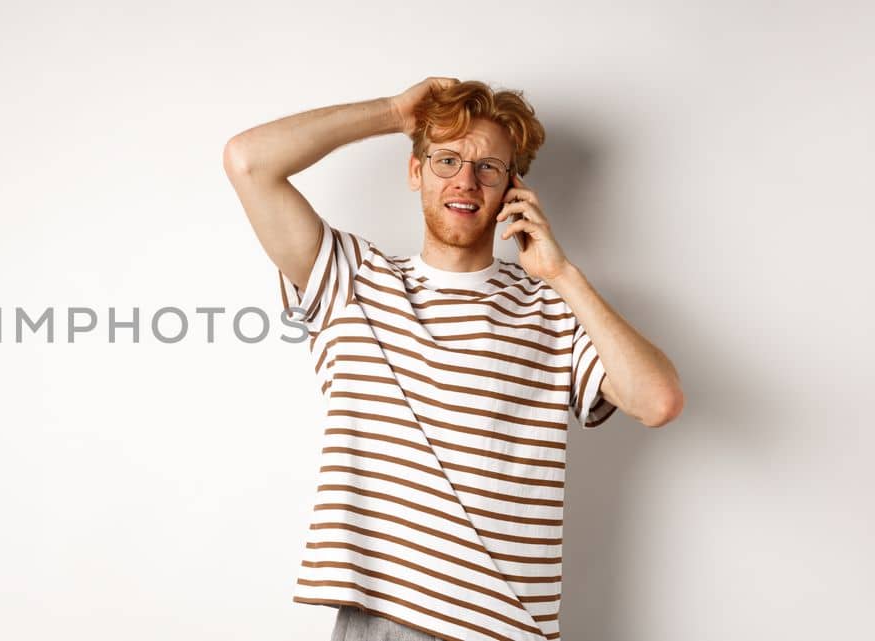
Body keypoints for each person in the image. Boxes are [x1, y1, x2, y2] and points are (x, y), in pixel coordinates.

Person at [221, 77, 684, 641]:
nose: (465, 181)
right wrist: (394, 112)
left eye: (488, 167)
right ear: (415, 171)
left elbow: (658, 400)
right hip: (386, 620)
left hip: (507, 628)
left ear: (513, 187)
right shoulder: (353, 280)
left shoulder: (552, 309)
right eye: (446, 160)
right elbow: (247, 161)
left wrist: (562, 275)